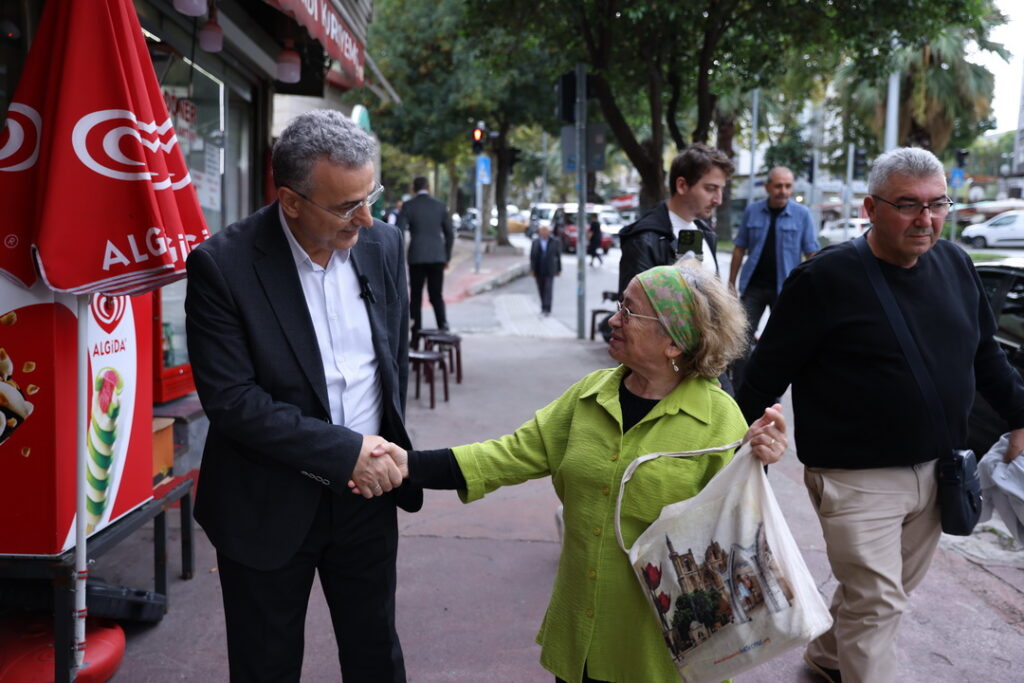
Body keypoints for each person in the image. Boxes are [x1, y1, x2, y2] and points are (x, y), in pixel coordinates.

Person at [364, 260, 790, 683]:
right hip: (584, 630)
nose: (613, 320)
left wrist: (758, 458)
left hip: (664, 647)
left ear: (674, 342)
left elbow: (739, 528)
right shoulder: (590, 395)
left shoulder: (718, 419)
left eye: (629, 311)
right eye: (619, 306)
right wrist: (411, 465)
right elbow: (508, 454)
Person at [736, 147, 1024, 683]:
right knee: (878, 605)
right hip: (856, 480)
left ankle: (826, 656)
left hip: (939, 472)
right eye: (908, 205)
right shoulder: (824, 280)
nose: (927, 219)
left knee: (881, 592)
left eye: (938, 204)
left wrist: (1019, 417)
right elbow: (763, 374)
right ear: (870, 208)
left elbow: (987, 354)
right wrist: (723, 445)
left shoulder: (958, 264)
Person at [184, 109, 421, 682]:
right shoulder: (222, 265)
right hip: (265, 502)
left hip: (368, 497)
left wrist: (380, 455)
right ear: (290, 201)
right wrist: (346, 454)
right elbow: (232, 400)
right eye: (346, 206)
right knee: (266, 664)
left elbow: (391, 358)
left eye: (372, 196)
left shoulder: (383, 245)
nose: (365, 218)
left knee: (376, 656)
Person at [727, 166, 819, 386]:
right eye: (778, 186)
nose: (783, 191)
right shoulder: (753, 211)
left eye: (788, 186)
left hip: (786, 290)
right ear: (767, 187)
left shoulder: (802, 215)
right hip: (754, 288)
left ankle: (770, 393)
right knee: (740, 340)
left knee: (781, 343)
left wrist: (812, 290)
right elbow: (739, 248)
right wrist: (730, 284)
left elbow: (812, 254)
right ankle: (739, 394)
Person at [616, 143, 734, 295]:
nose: (718, 200)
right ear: (682, 185)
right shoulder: (644, 239)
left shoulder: (706, 234)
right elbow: (633, 311)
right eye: (711, 189)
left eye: (721, 189)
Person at [399, 176, 454, 333]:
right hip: (437, 256)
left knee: (416, 295)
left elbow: (399, 231)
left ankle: (416, 330)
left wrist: (400, 255)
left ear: (413, 189)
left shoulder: (408, 206)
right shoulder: (440, 206)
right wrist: (446, 256)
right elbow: (449, 234)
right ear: (428, 187)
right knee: (436, 294)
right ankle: (443, 325)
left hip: (416, 256)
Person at [530, 223, 562, 316]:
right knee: (541, 288)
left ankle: (547, 308)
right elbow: (532, 257)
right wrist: (532, 269)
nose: (544, 232)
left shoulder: (554, 241)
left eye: (545, 230)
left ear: (549, 232)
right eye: (542, 230)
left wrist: (559, 269)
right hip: (538, 268)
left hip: (550, 269)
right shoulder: (535, 242)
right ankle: (543, 306)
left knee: (548, 289)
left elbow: (558, 256)